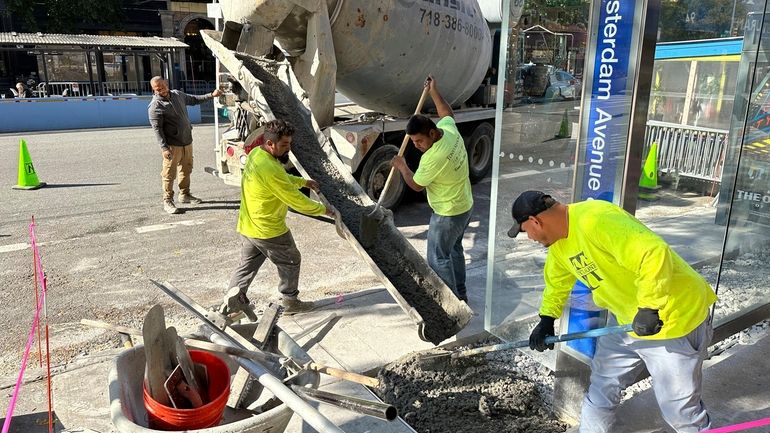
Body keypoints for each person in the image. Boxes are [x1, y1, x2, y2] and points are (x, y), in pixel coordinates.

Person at [507, 191, 717, 433]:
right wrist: (546, 319)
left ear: (535, 221)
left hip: (672, 318)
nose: (529, 237)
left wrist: (649, 306)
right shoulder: (559, 247)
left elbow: (654, 253)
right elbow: (557, 284)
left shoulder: (596, 219)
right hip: (626, 322)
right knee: (601, 388)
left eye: (524, 231)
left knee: (679, 410)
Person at [224, 119, 335, 315]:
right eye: (284, 145)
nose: (288, 149)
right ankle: (291, 301)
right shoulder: (270, 168)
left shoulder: (257, 154)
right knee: (291, 259)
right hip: (268, 229)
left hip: (249, 225)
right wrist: (325, 210)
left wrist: (303, 182)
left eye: (289, 143)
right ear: (270, 144)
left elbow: (281, 179)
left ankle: (232, 306)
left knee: (246, 267)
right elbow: (295, 200)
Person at [391, 76, 473, 302]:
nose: (416, 146)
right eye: (413, 142)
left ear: (432, 134)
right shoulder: (449, 131)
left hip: (448, 213)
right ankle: (461, 295)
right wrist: (434, 91)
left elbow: (416, 185)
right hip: (465, 206)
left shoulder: (433, 157)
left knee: (438, 258)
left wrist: (402, 166)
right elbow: (447, 113)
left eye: (419, 141)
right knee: (454, 250)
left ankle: (451, 305)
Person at [148, 76, 222, 214]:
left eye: (162, 87)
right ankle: (168, 201)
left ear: (166, 83)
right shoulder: (155, 107)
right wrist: (164, 148)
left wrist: (211, 95)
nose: (161, 91)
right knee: (169, 174)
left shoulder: (177, 95)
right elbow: (157, 130)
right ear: (153, 90)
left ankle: (185, 195)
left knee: (186, 170)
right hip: (172, 146)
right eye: (157, 89)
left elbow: (194, 99)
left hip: (187, 141)